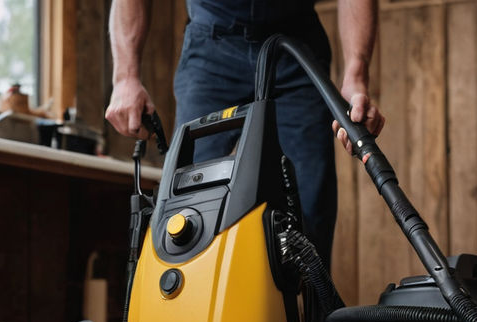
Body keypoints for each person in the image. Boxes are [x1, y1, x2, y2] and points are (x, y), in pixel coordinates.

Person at [105, 0, 384, 267]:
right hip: (211, 46)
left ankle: (307, 312)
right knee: (184, 208)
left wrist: (356, 76)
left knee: (308, 211)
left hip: (295, 46)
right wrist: (125, 77)